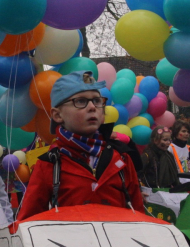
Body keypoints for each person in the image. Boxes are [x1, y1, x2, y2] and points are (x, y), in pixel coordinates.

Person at [17, 71, 145, 221]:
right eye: (80, 101)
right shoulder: (49, 164)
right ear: (57, 115)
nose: (92, 107)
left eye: (97, 100)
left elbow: (140, 218)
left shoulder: (122, 158)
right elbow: (28, 223)